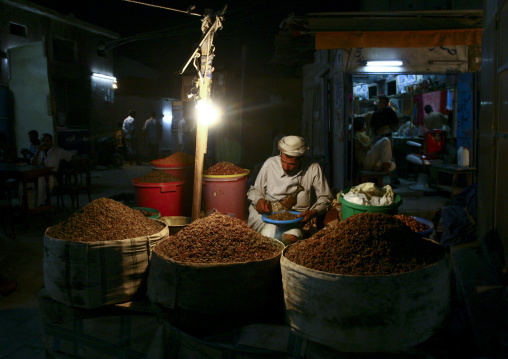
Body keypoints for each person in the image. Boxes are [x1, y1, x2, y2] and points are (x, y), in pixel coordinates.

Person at [247, 135, 334, 246]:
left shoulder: (313, 167)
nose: (286, 167)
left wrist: (313, 212)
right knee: (270, 232)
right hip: (267, 215)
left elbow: (326, 197)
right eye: (283, 161)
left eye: (292, 164)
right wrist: (259, 200)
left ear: (301, 158)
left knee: (292, 238)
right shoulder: (270, 164)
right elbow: (255, 191)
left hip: (295, 218)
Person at [30, 133, 75, 207]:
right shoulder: (40, 151)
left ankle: (40, 204)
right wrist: (38, 152)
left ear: (51, 142)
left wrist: (82, 160)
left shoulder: (57, 151)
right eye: (43, 141)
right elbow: (33, 164)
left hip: (52, 176)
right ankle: (29, 205)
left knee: (42, 180)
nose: (45, 143)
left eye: (47, 141)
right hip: (39, 174)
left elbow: (70, 155)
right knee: (26, 183)